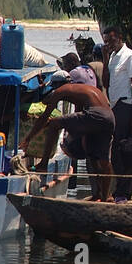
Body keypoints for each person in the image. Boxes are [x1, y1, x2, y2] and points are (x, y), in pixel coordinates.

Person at [24, 71, 115, 203]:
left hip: (95, 115)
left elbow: (45, 117)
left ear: (57, 85)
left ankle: (43, 164)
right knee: (99, 158)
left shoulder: (61, 90)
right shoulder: (82, 90)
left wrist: (29, 138)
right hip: (109, 117)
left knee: (54, 124)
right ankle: (104, 196)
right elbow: (80, 119)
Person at [101, 25, 132, 203]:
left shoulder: (129, 55)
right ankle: (120, 190)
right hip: (114, 106)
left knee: (124, 149)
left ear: (119, 37)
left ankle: (124, 191)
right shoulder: (113, 57)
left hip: (126, 105)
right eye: (106, 41)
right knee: (116, 149)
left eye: (110, 40)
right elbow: (106, 82)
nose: (108, 43)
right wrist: (105, 57)